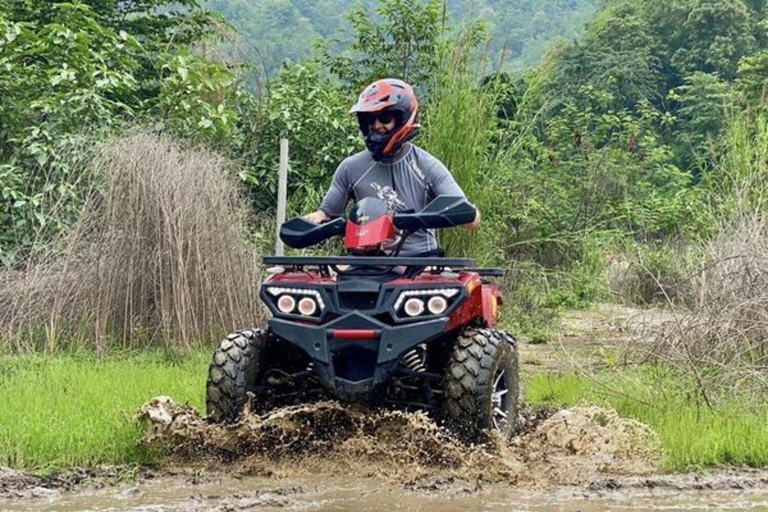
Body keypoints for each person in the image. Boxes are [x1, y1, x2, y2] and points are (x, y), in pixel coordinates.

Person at [304, 78, 481, 256]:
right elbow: (326, 214)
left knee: (456, 283)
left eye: (385, 118)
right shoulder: (351, 167)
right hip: (364, 264)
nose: (377, 125)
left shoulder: (427, 166)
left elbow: (471, 221)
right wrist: (305, 224)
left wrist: (463, 213)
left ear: (402, 117)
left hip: (419, 265)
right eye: (370, 120)